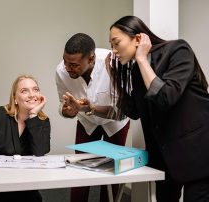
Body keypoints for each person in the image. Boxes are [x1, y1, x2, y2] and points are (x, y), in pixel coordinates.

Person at [107, 15, 209, 201]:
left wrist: (142, 59)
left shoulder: (178, 49)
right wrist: (114, 77)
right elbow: (135, 112)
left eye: (116, 43)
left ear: (137, 39)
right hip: (164, 157)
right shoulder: (138, 69)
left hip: (198, 153)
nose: (114, 50)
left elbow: (165, 97)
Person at [55, 33, 130, 202]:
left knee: (112, 174)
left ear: (91, 59)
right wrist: (67, 111)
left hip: (116, 123)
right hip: (87, 122)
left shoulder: (113, 64)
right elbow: (64, 105)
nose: (67, 67)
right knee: (80, 171)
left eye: (73, 65)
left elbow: (122, 110)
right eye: (65, 61)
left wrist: (91, 108)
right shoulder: (61, 71)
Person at [0, 75, 50, 202]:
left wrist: (34, 115)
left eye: (35, 89)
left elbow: (39, 152)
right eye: (24, 91)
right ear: (15, 99)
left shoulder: (42, 121)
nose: (32, 95)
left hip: (24, 185)